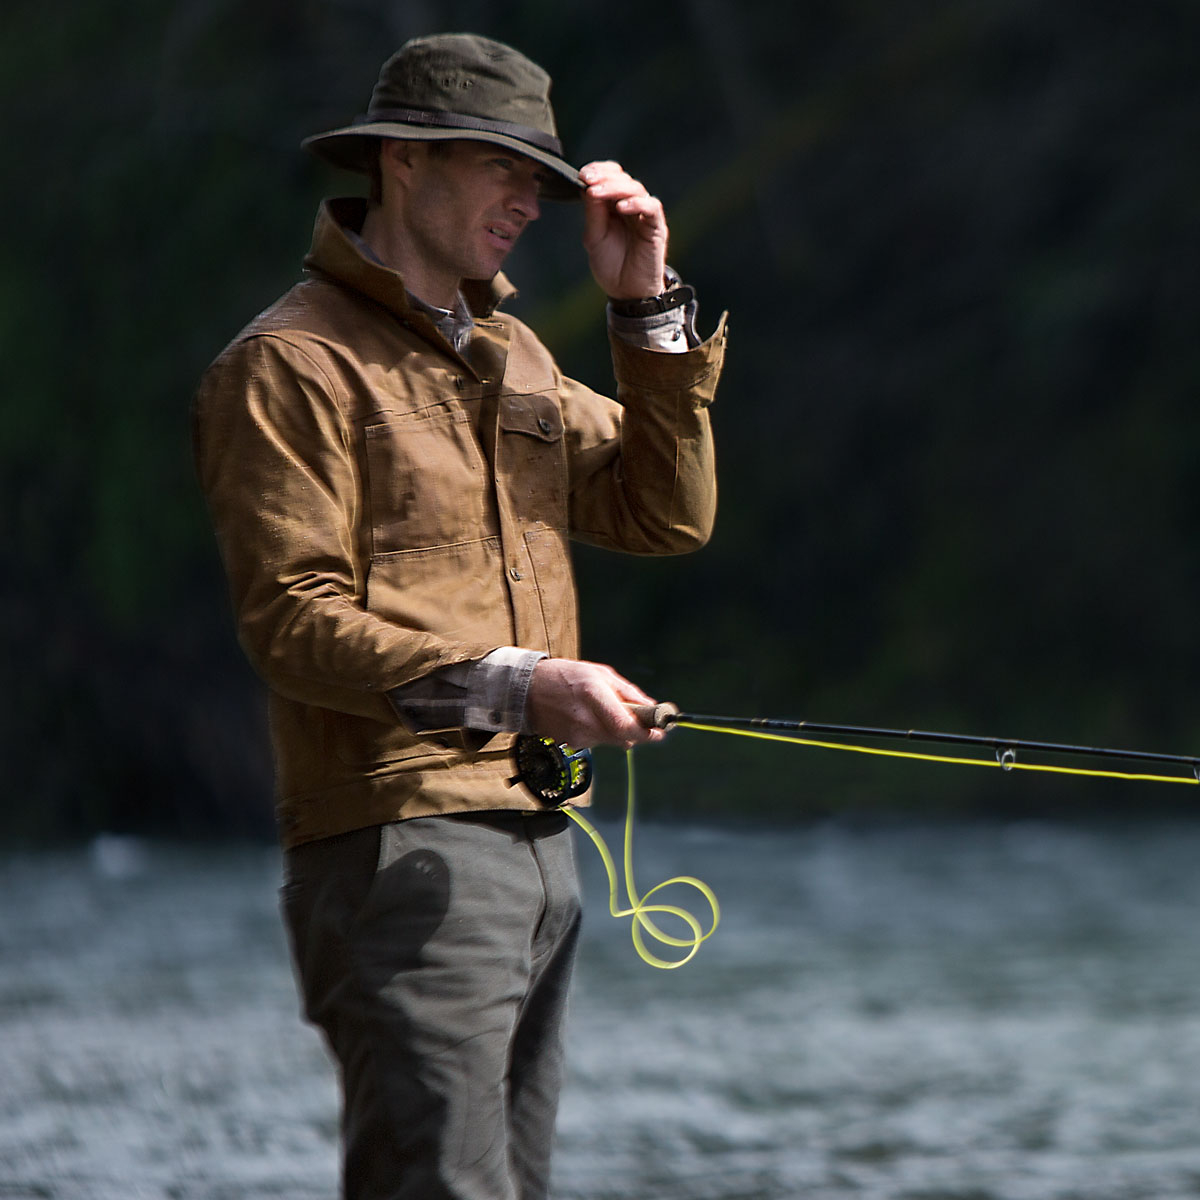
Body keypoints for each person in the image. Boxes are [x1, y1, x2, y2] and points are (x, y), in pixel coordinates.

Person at [193, 32, 727, 1200]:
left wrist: (647, 313)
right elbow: (291, 620)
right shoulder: (287, 366)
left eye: (538, 175)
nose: (528, 201)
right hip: (401, 850)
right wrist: (523, 681)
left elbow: (665, 513)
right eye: (498, 166)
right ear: (402, 164)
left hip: (540, 849)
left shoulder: (518, 354)